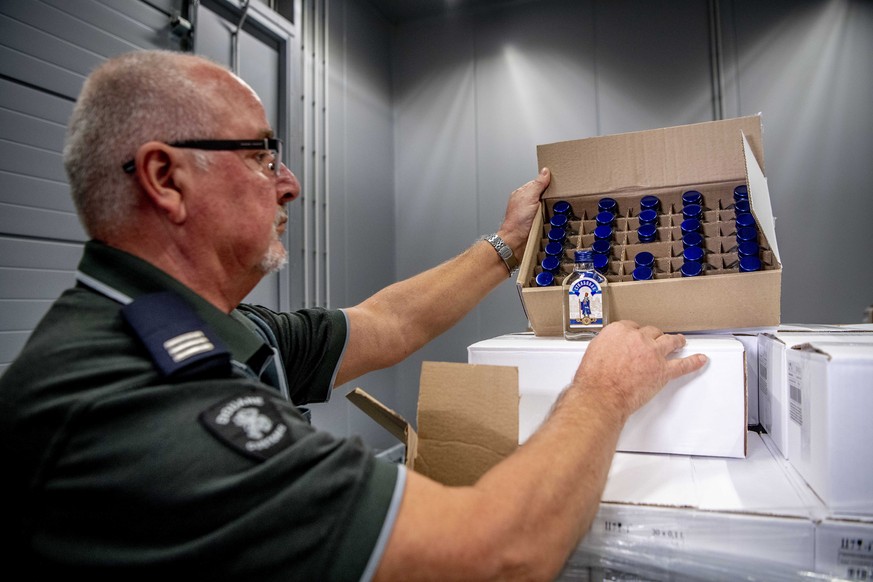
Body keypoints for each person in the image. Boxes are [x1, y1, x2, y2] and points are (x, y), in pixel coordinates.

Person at [0, 50, 707, 580]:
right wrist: (605, 392)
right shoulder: (140, 399)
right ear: (165, 178)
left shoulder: (201, 330)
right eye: (260, 155)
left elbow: (387, 323)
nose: (290, 183)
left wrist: (507, 246)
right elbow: (498, 555)